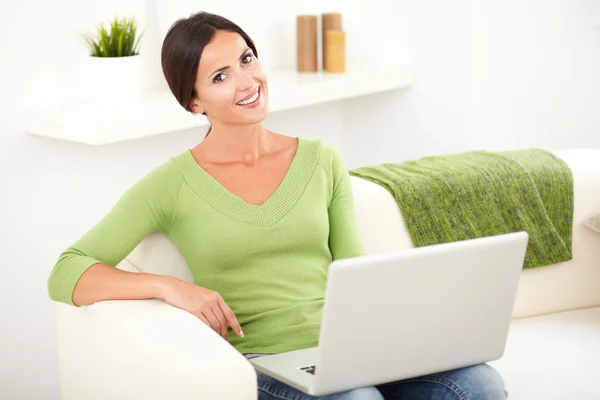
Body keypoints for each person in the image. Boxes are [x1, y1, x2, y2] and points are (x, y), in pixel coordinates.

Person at [47, 11, 507, 400]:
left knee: (480, 385)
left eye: (246, 59)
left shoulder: (321, 159)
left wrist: (393, 336)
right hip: (268, 364)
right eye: (220, 76)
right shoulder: (170, 185)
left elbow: (354, 270)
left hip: (348, 350)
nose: (247, 81)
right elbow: (67, 271)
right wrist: (169, 286)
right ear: (193, 100)